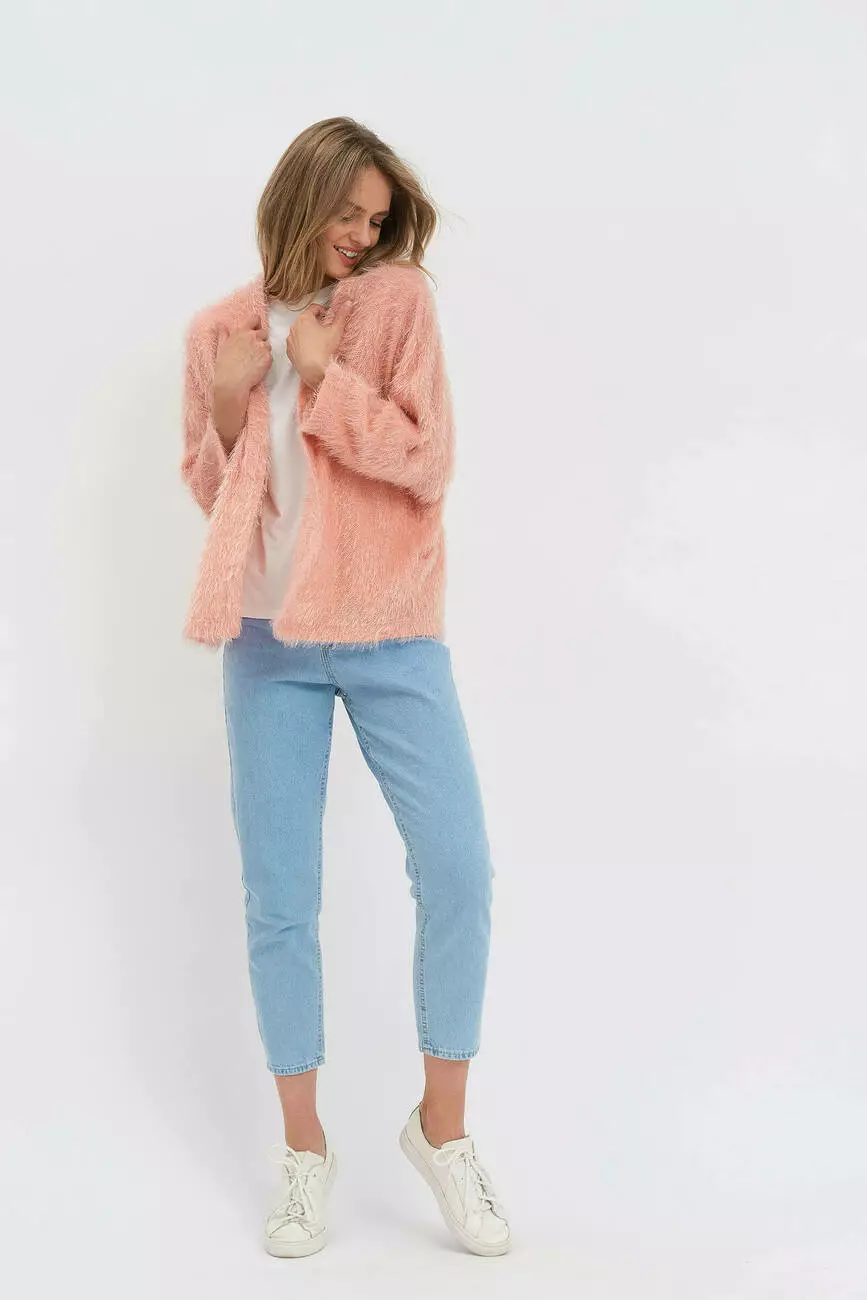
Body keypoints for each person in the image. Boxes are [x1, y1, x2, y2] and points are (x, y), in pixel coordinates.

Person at [180, 116, 510, 1259]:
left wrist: (323, 380)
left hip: (390, 633)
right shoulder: (218, 332)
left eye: (377, 219)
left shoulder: (395, 306)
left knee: (458, 870)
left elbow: (427, 459)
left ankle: (442, 1129)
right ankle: (304, 1150)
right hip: (266, 644)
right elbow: (216, 497)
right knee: (280, 899)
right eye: (348, 214)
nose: (363, 235)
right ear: (300, 197)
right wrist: (233, 406)